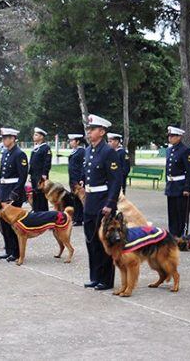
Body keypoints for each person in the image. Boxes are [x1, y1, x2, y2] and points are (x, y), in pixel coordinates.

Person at [82, 114, 122, 292]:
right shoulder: (89, 150)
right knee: (91, 241)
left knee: (104, 242)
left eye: (92, 129)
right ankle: (95, 277)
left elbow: (115, 180)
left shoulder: (108, 152)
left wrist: (110, 203)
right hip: (90, 202)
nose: (89, 132)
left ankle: (106, 280)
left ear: (102, 131)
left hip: (103, 203)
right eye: (89, 129)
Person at [0, 128, 29, 262]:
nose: (3, 140)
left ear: (13, 138)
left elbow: (22, 176)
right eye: (3, 138)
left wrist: (16, 192)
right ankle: (8, 250)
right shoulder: (6, 153)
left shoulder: (19, 154)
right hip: (4, 191)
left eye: (6, 138)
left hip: (13, 193)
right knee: (3, 223)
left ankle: (15, 252)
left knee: (13, 224)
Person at [165, 126, 190, 238]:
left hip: (181, 186)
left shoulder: (186, 150)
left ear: (179, 137)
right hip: (171, 186)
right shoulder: (169, 150)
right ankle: (173, 235)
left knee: (181, 212)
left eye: (172, 136)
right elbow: (167, 168)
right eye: (169, 136)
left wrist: (187, 187)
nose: (170, 138)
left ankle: (182, 236)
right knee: (172, 212)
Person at [29, 127, 52, 211]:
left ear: (41, 137)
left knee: (41, 195)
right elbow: (32, 162)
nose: (34, 136)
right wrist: (30, 174)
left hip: (41, 175)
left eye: (36, 135)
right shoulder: (35, 148)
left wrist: (44, 174)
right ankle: (36, 211)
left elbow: (47, 162)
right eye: (34, 135)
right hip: (34, 175)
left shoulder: (45, 148)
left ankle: (43, 212)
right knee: (35, 193)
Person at [67, 134, 86, 226]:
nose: (70, 142)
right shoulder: (74, 151)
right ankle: (77, 218)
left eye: (72, 141)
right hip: (73, 179)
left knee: (81, 199)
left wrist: (82, 178)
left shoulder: (81, 151)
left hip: (78, 179)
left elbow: (84, 166)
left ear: (77, 142)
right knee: (75, 199)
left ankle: (81, 218)